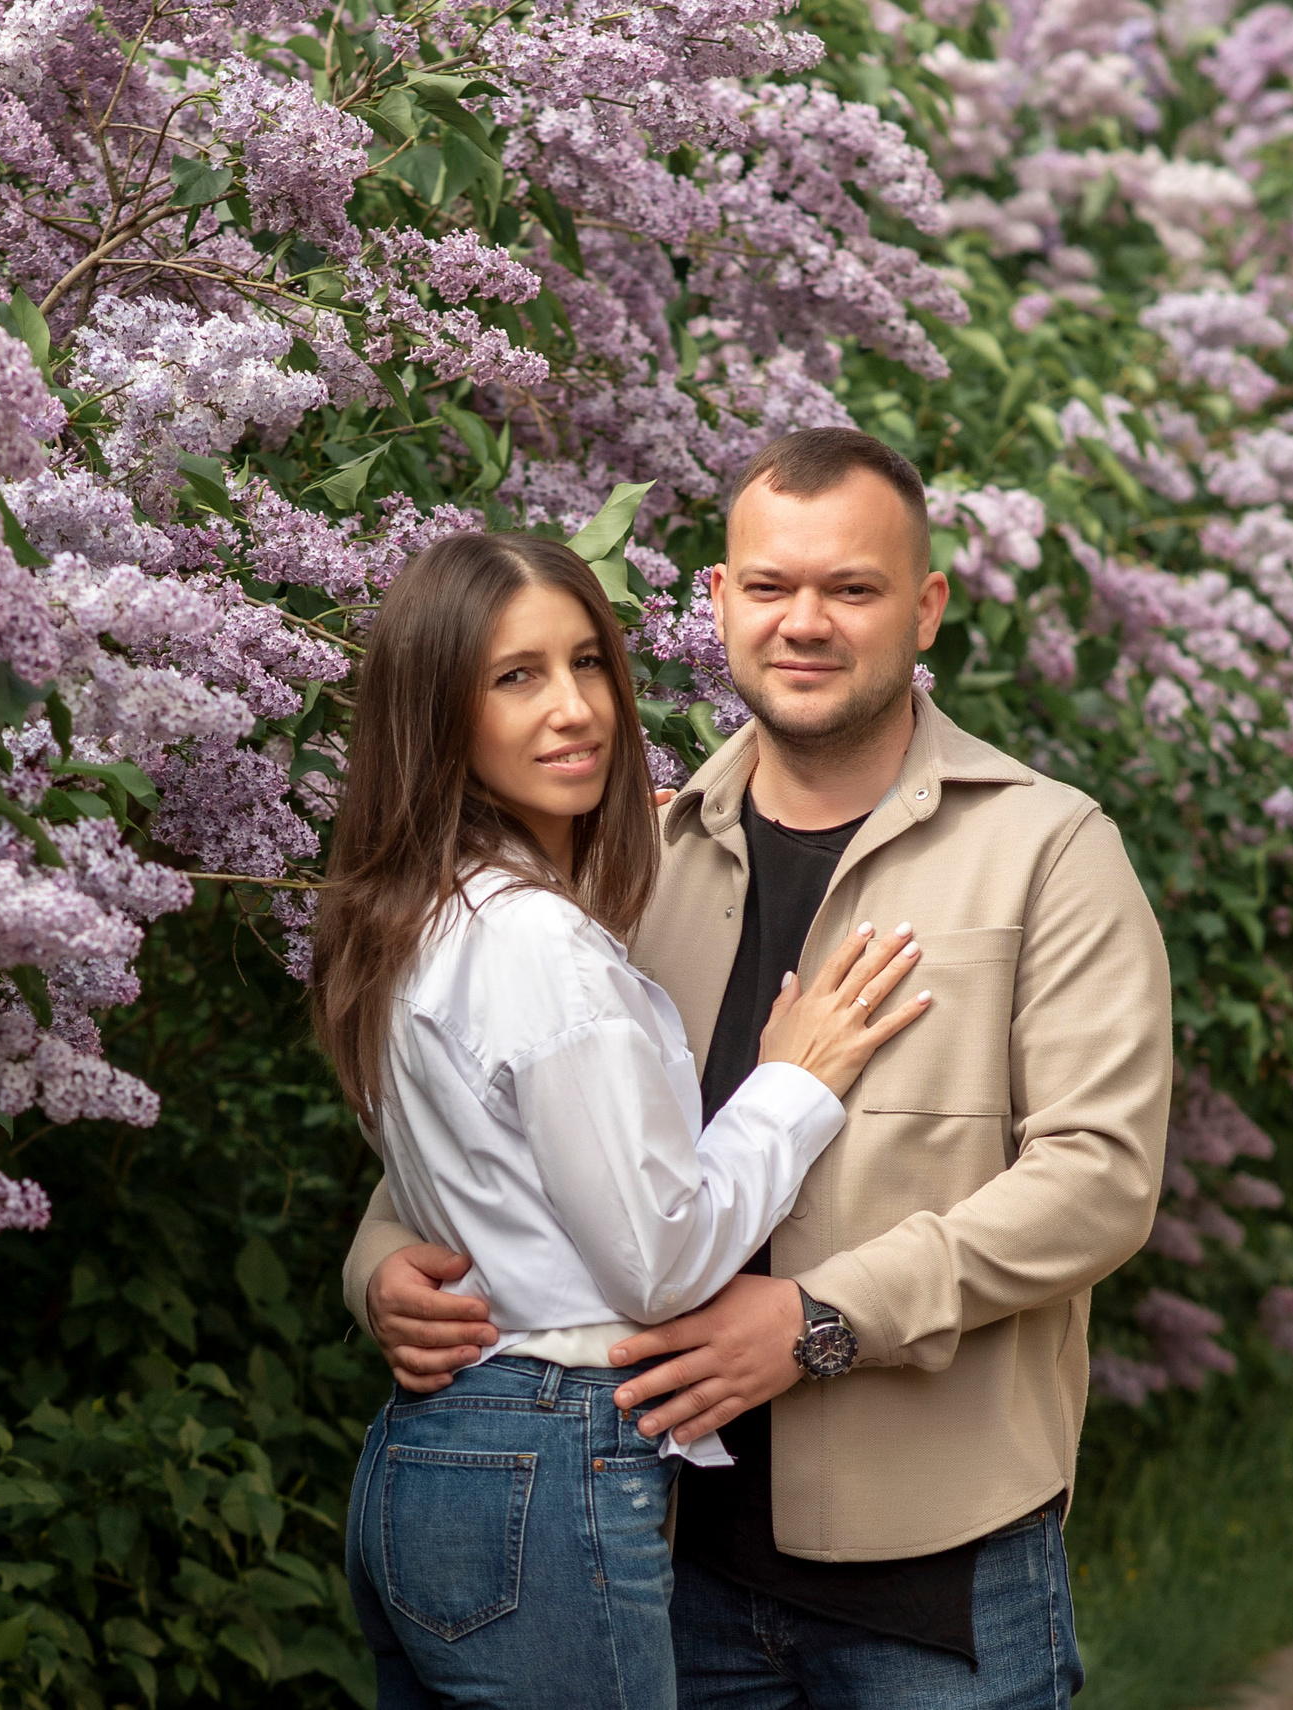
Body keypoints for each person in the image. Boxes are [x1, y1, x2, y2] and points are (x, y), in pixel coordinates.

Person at [342, 429, 1174, 1709]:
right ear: (718, 603)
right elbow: (510, 1120)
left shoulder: (1047, 850)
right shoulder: (629, 859)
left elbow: (1097, 1181)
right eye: (773, 588)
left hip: (931, 1586)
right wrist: (383, 1262)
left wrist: (819, 1322)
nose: (807, 624)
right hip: (664, 1562)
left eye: (852, 589)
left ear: (925, 606)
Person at [317, 530, 937, 1708]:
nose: (573, 711)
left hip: (430, 1453)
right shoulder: (538, 944)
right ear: (437, 714)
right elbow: (656, 1262)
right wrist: (795, 1084)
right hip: (544, 1456)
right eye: (515, 678)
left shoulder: (426, 913)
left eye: (587, 664)